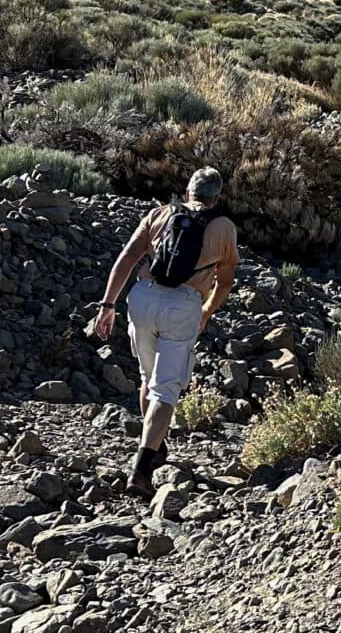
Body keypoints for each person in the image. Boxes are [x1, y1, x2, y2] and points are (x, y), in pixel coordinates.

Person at [91, 167, 238, 494]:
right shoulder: (224, 227)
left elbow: (128, 257)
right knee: (166, 389)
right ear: (216, 200)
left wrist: (107, 305)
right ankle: (141, 470)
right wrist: (205, 312)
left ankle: (156, 448)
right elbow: (225, 282)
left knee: (148, 378)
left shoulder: (160, 214)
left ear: (187, 194)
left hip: (142, 297)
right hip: (183, 305)